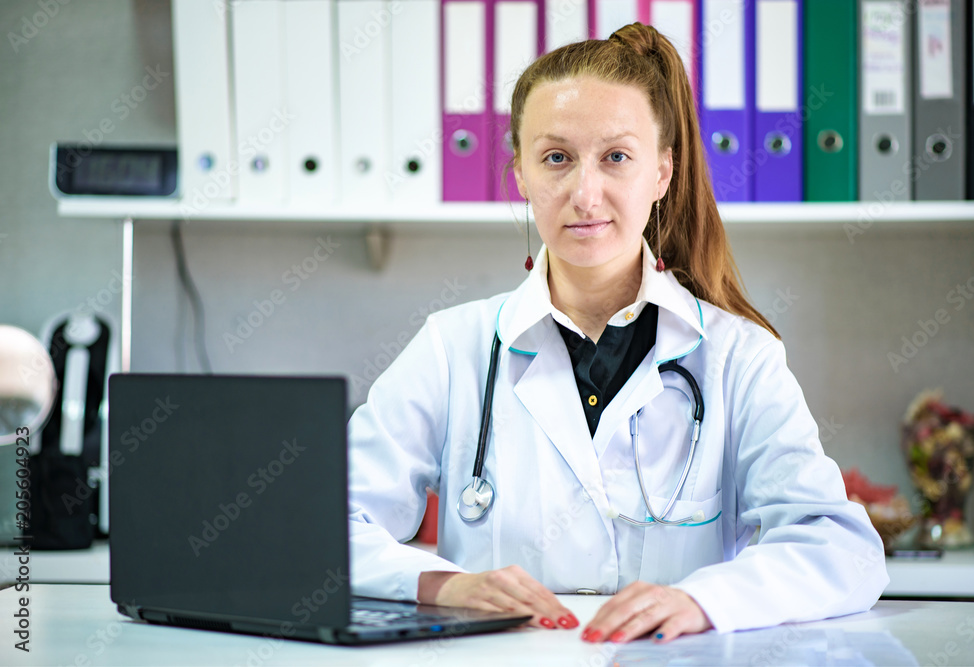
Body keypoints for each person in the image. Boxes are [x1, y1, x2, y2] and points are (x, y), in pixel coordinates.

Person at [347, 23, 888, 644]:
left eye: (616, 157)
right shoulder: (453, 348)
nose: (585, 193)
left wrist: (703, 601)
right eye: (556, 158)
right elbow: (323, 524)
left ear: (661, 174)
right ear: (519, 173)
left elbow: (840, 546)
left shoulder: (739, 357)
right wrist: (443, 584)